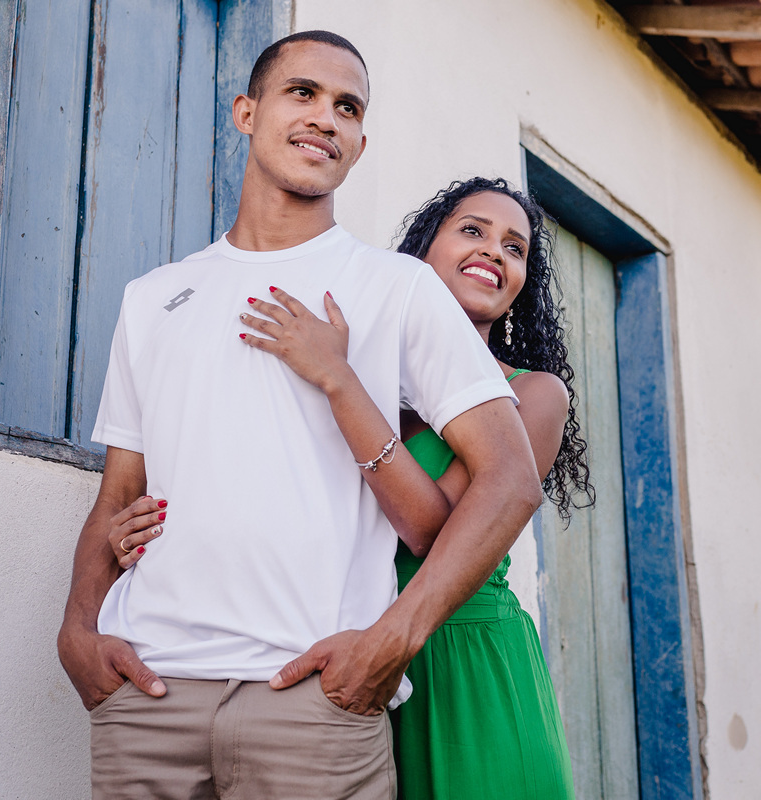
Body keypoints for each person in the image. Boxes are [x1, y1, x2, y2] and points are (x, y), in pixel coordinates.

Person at [57, 31, 543, 800]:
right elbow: (117, 495)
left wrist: (392, 642)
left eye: (347, 107)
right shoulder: (154, 298)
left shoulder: (397, 288)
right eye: (303, 94)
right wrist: (78, 632)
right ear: (247, 112)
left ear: (358, 142)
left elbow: (511, 480)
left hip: (311, 697)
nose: (326, 117)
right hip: (149, 694)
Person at [113, 178, 592, 798]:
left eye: (515, 248)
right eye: (473, 231)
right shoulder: (370, 371)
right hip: (343, 654)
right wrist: (154, 530)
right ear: (420, 255)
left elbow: (430, 528)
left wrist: (340, 381)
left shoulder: (532, 392)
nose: (495, 252)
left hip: (462, 656)